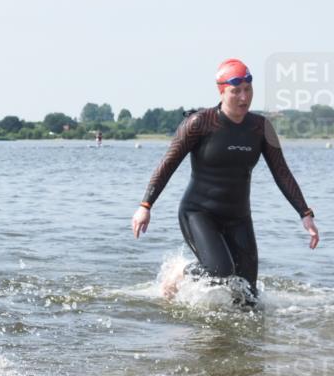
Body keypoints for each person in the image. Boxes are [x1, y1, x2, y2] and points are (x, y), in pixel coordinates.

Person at [131, 59, 320, 306]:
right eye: (236, 91)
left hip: (238, 217)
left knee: (249, 297)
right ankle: (182, 274)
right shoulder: (199, 123)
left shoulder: (261, 127)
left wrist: (305, 213)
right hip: (198, 213)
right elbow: (167, 163)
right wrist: (145, 205)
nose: (244, 97)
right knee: (221, 271)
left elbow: (282, 172)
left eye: (248, 89)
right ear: (221, 91)